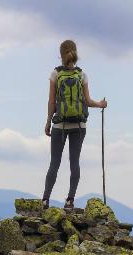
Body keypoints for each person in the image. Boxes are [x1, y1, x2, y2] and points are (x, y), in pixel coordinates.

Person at [42, 40, 107, 209]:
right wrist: (100, 104)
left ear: (60, 54)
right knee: (74, 162)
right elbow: (87, 101)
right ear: (75, 53)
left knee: (54, 163)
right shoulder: (82, 74)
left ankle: (45, 200)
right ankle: (70, 200)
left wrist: (48, 121)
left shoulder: (55, 74)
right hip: (79, 126)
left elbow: (51, 102)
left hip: (60, 125)